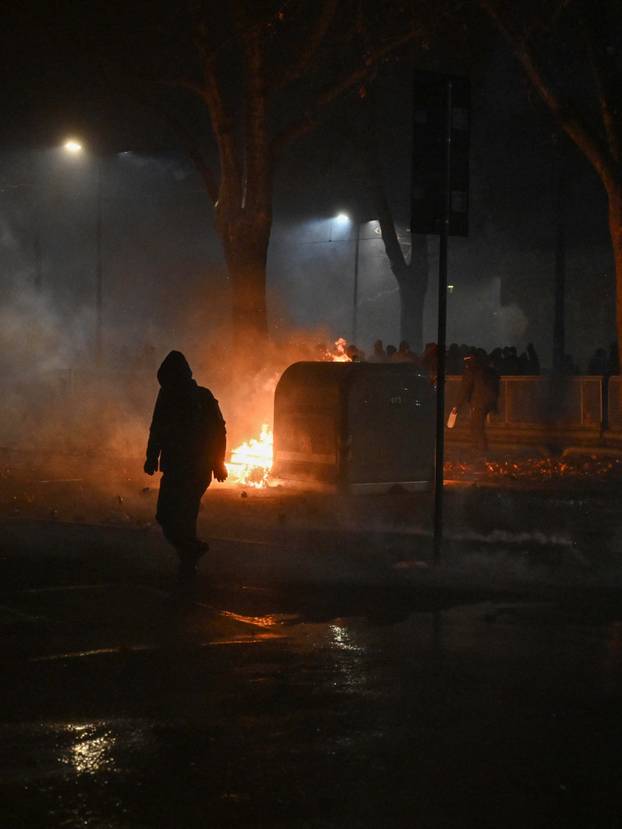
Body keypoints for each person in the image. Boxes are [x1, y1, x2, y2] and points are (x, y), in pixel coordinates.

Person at [144, 351, 228, 580]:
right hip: (177, 468)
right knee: (167, 515)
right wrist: (151, 457)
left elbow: (218, 432)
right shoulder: (168, 396)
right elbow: (158, 429)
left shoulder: (202, 398)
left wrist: (218, 463)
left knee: (182, 516)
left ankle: (188, 563)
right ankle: (190, 551)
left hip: (195, 469)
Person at [452, 354, 499, 453]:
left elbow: (464, 389)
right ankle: (481, 448)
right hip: (488, 402)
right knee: (478, 425)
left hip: (478, 402)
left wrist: (457, 405)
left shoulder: (471, 370)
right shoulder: (486, 369)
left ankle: (479, 450)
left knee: (475, 426)